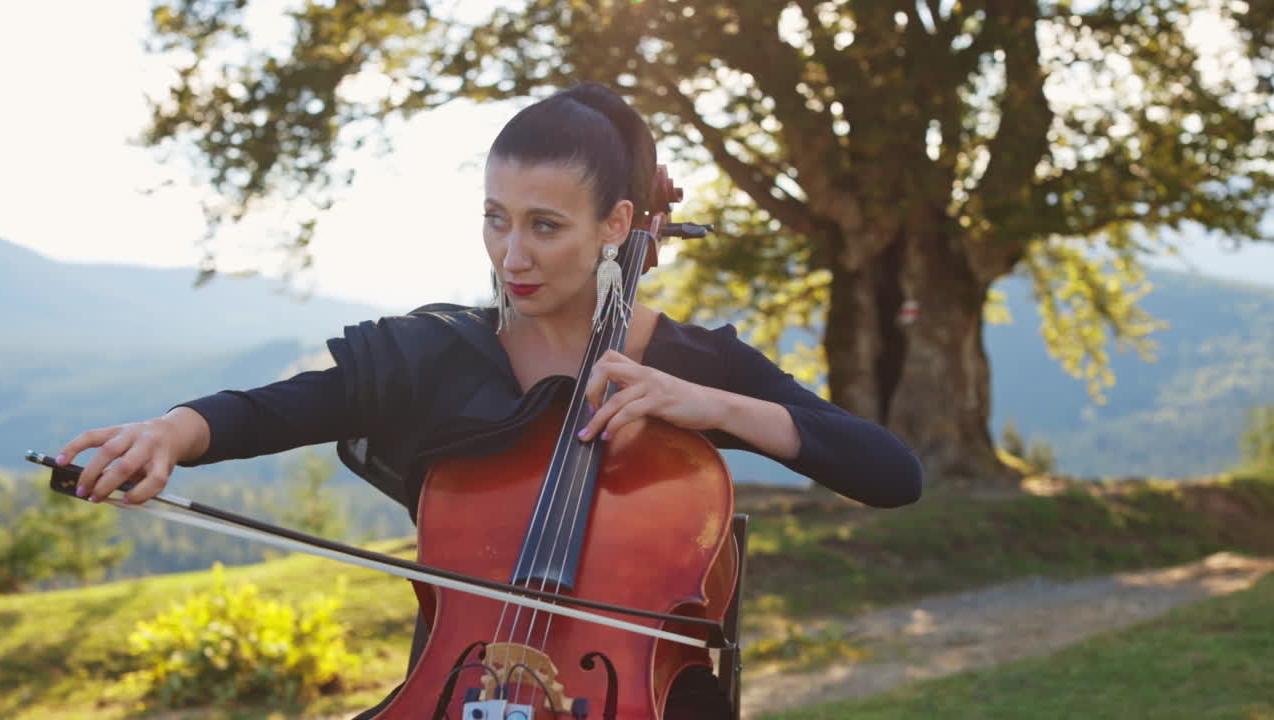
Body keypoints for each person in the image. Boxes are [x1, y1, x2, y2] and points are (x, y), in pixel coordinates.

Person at [57, 82, 923, 719]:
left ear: (618, 226)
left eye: (546, 226)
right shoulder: (441, 354)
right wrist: (170, 432)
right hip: (457, 697)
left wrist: (710, 406)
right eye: (495, 217)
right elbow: (284, 406)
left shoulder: (693, 362)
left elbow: (892, 475)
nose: (512, 253)